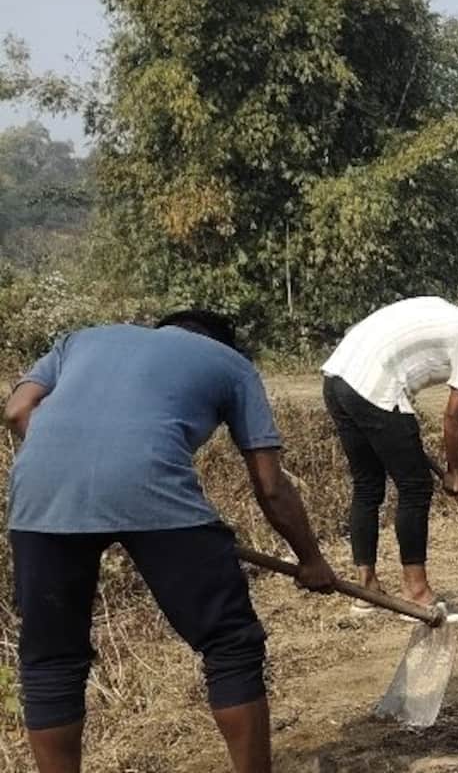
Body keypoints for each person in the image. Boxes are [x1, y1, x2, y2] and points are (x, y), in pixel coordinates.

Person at [5, 310, 337, 773]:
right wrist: (312, 560)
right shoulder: (231, 364)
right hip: (152, 489)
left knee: (51, 662)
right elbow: (270, 484)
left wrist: (74, 461)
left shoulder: (80, 340)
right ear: (222, 342)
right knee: (229, 643)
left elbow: (17, 410)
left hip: (40, 495)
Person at [320, 295, 458, 619]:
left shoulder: (444, 310)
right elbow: (455, 416)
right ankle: (417, 593)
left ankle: (366, 590)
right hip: (376, 386)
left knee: (367, 485)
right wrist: (455, 471)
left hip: (337, 379)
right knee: (415, 487)